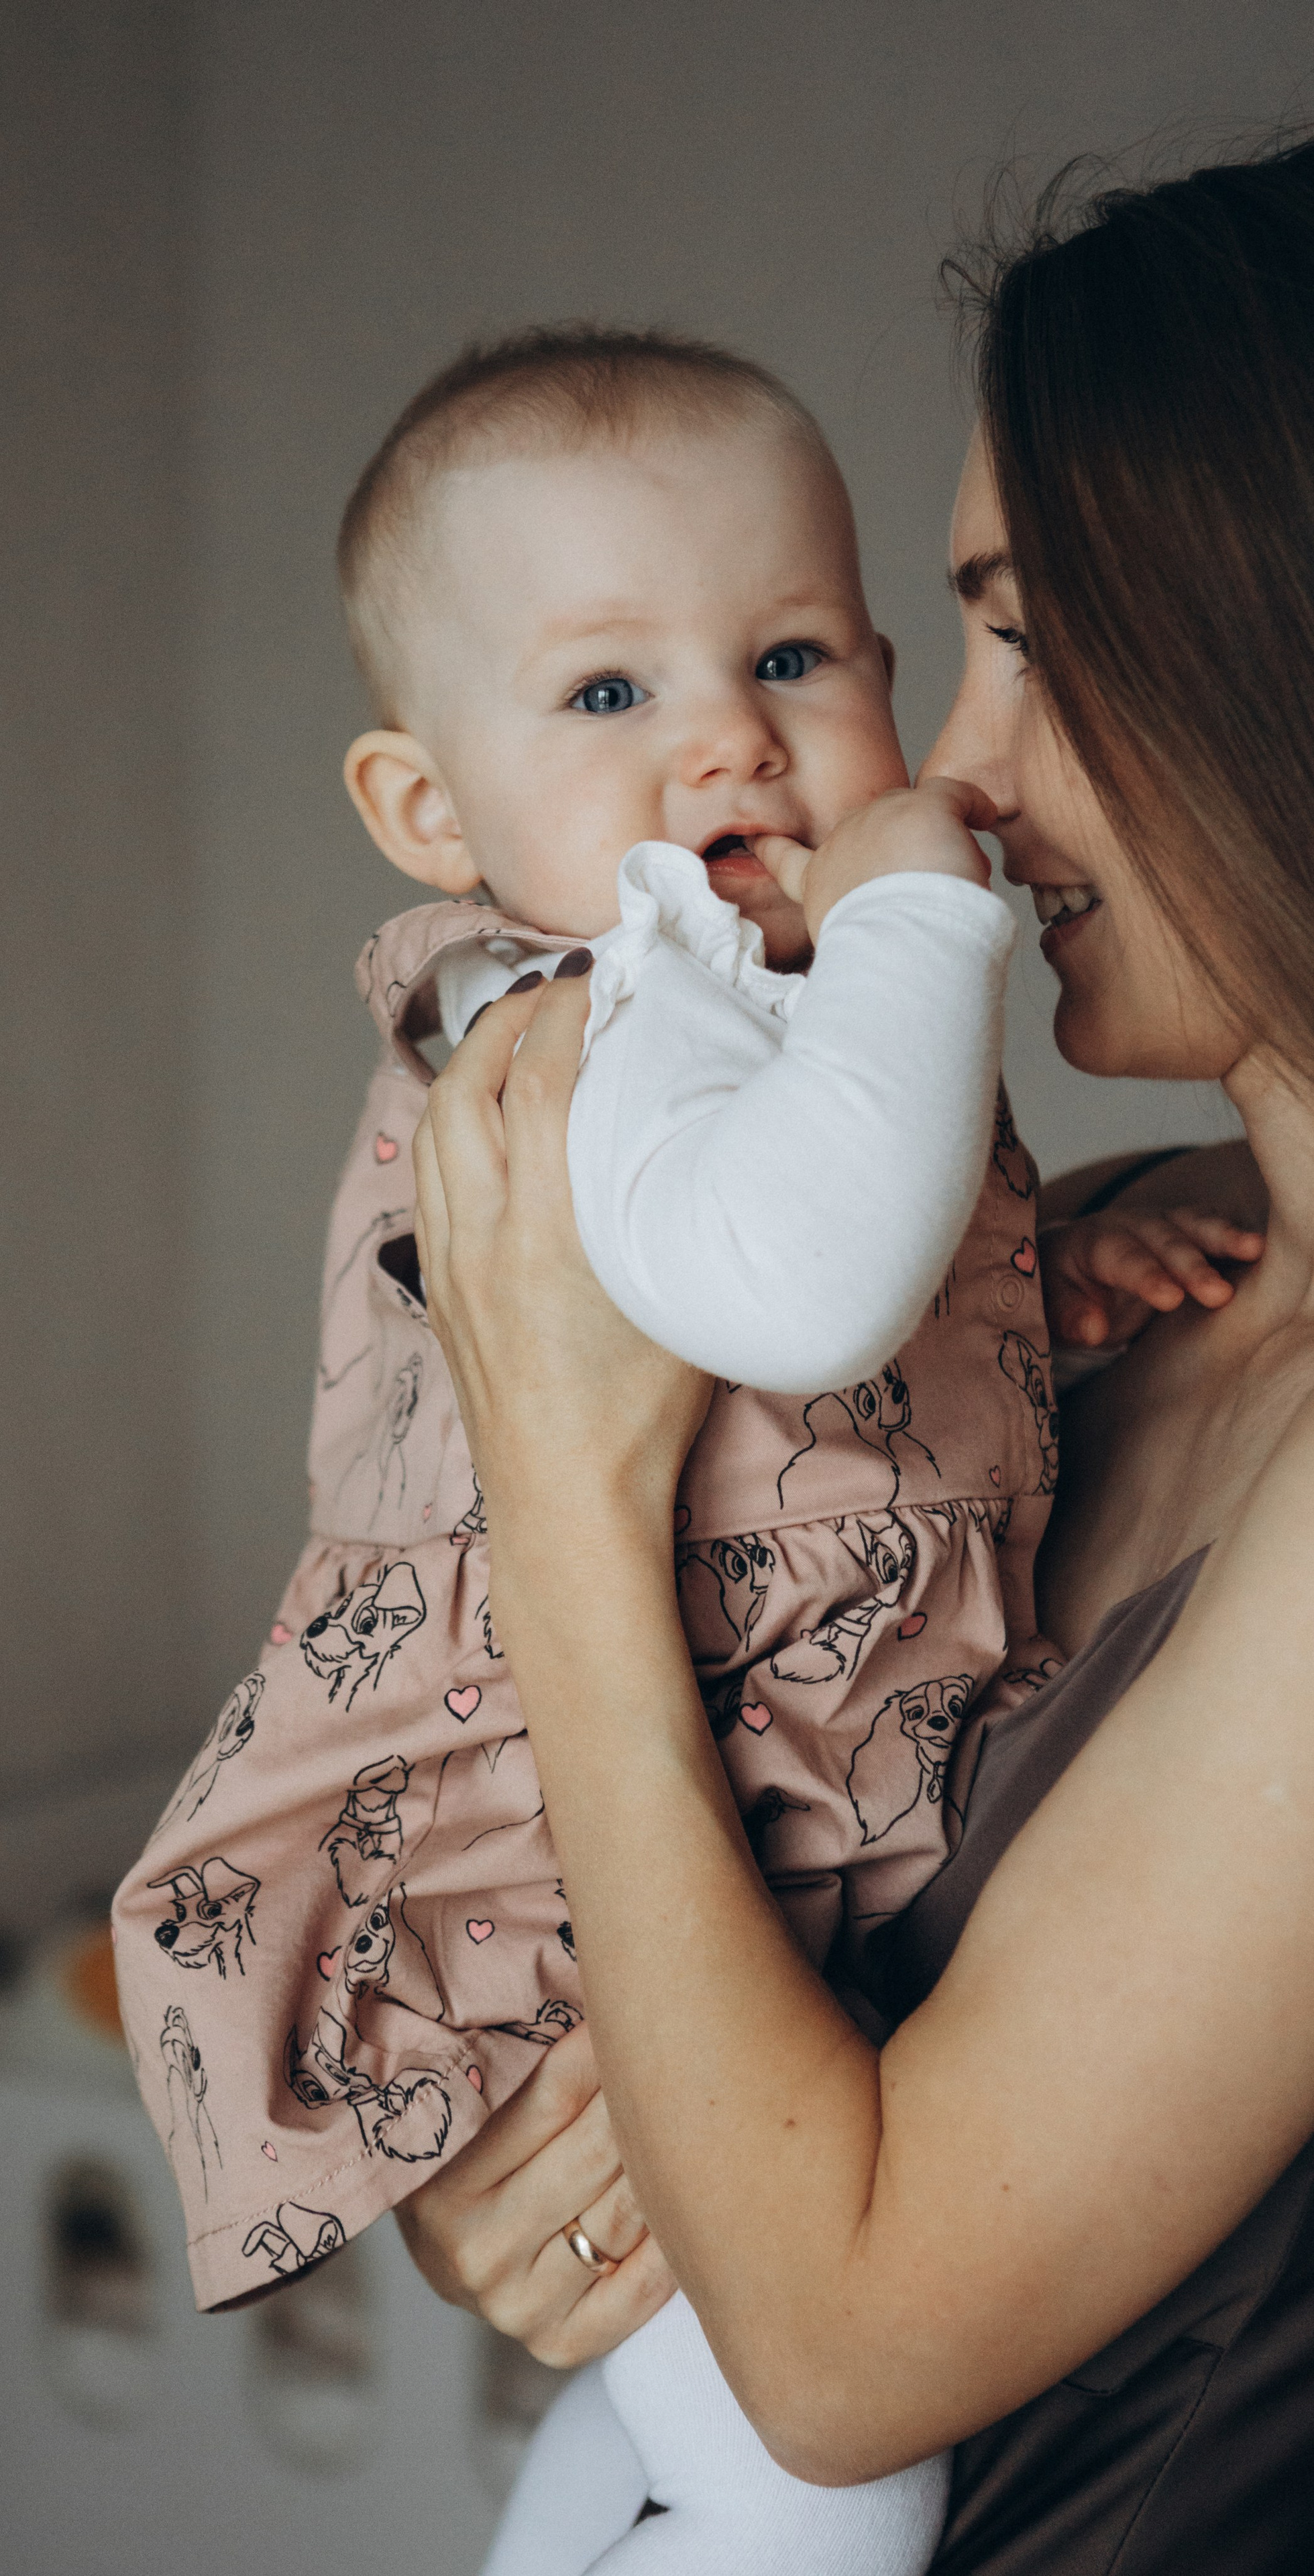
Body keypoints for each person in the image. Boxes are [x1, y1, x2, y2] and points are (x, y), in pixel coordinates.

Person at [112, 328, 1252, 2571]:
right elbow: (797, 1286)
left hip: (723, 1945)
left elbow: (819, 1333)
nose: (734, 737)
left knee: (753, 2449)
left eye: (797, 656)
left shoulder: (745, 1036)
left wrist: (1036, 1276)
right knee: (803, 2502)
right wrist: (914, 915)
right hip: (570, 1865)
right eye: (612, 690)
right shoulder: (597, 1010)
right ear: (430, 813)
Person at [400, 138, 1314, 2573]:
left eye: (1033, 642)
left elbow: (837, 2350)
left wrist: (561, 1487)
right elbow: (740, 1991)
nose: (955, 774)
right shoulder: (1092, 1272)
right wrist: (539, 2154)